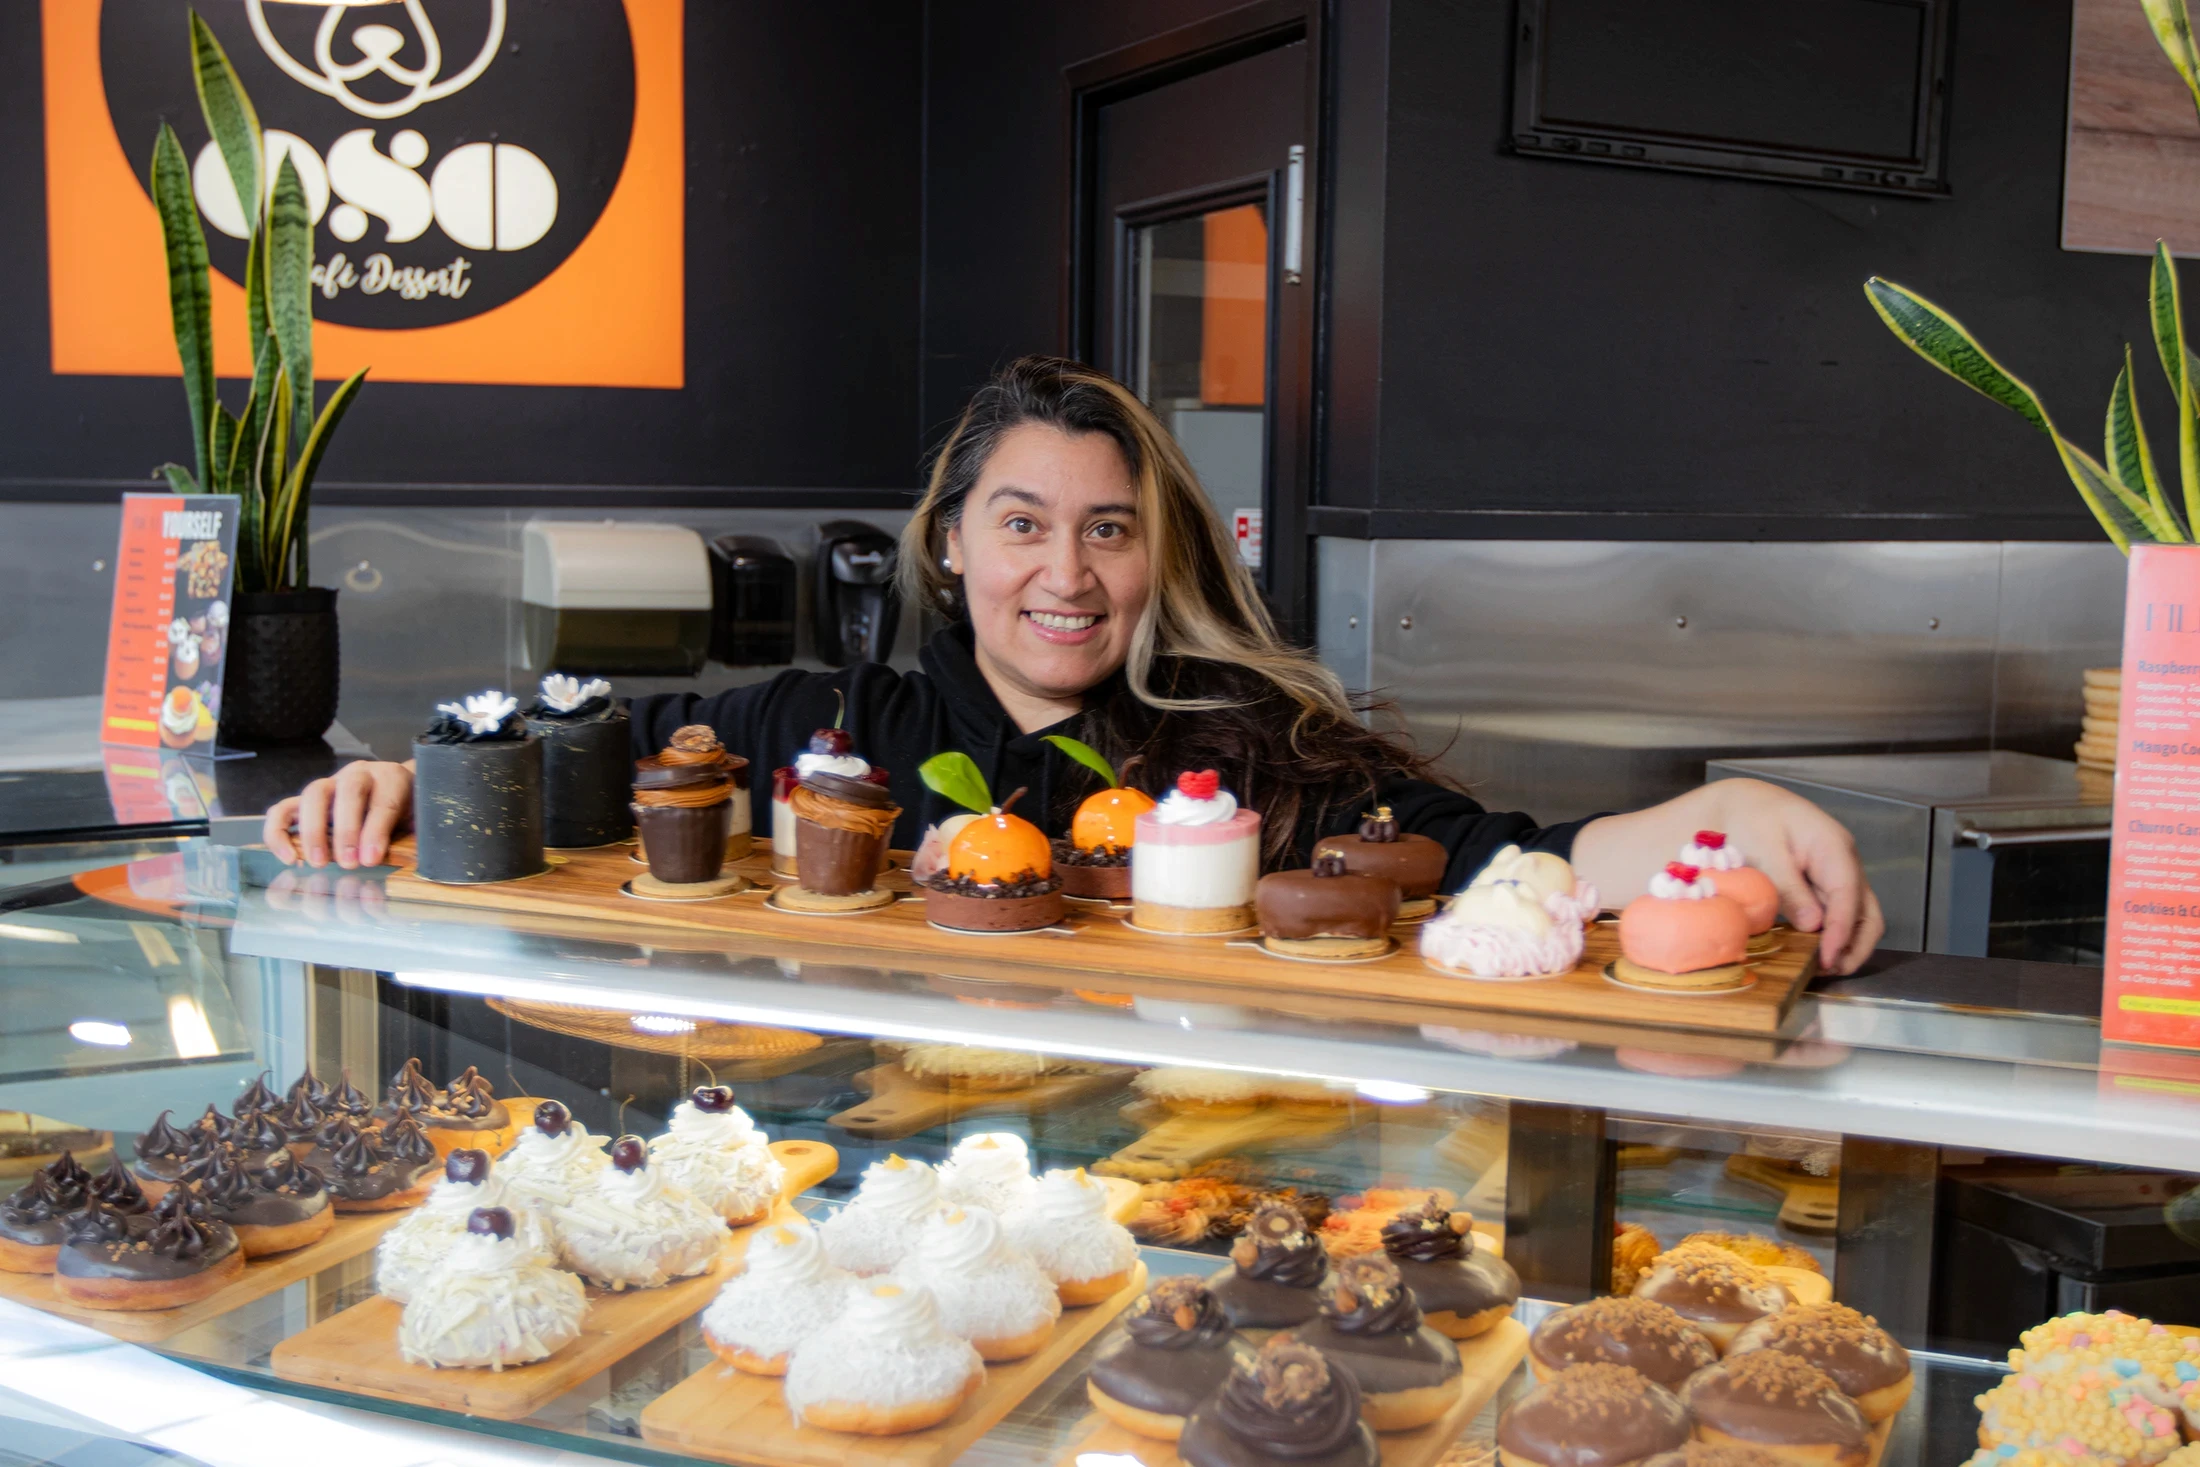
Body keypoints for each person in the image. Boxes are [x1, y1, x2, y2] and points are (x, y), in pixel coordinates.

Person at [265, 356, 1885, 972]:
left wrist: (1721, 808)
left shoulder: (1262, 748)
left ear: (1158, 557)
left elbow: (1511, 867)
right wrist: (413, 781)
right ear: (951, 541)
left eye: (1111, 531)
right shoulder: (821, 722)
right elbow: (588, 762)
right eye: (1024, 523)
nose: (1066, 571)